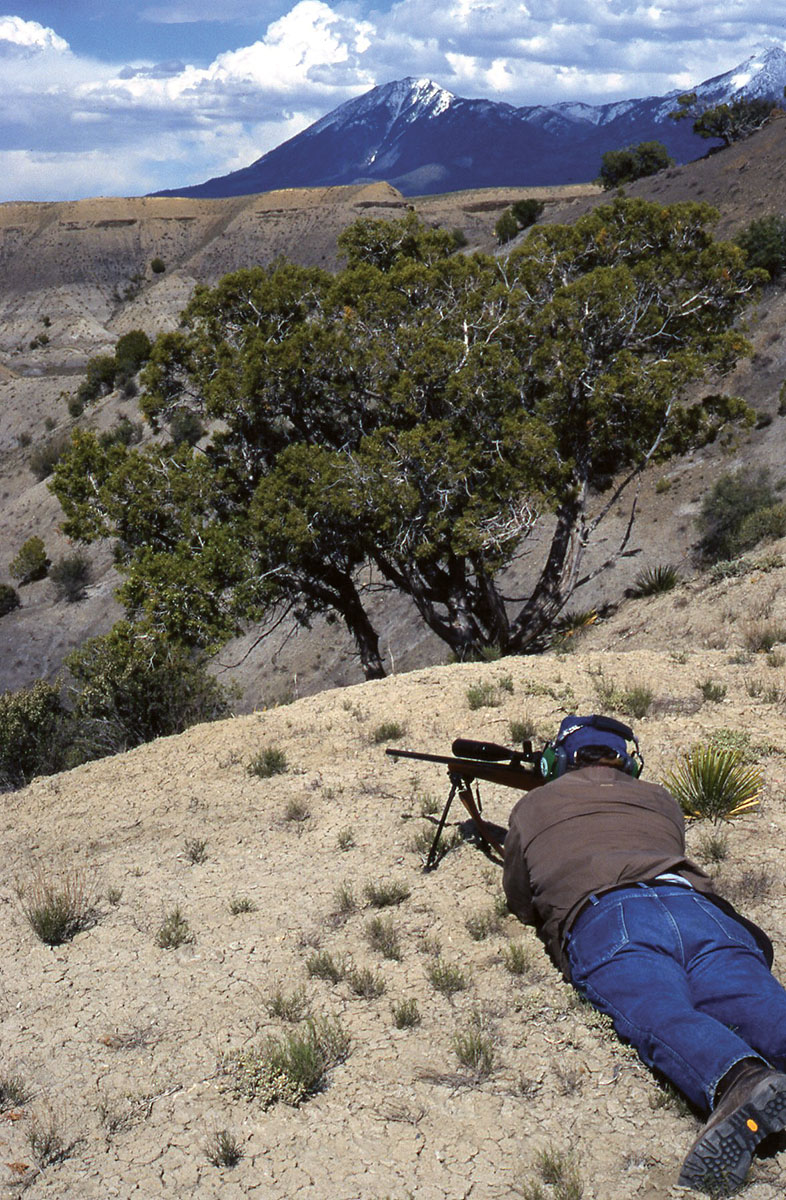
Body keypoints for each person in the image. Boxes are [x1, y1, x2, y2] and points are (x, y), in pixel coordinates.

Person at [502, 713, 786, 1195]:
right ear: (628, 761)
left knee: (661, 1008)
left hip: (609, 914)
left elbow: (521, 901)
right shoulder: (661, 799)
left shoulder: (533, 805)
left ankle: (739, 1077)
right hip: (700, 908)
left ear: (558, 760)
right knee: (755, 998)